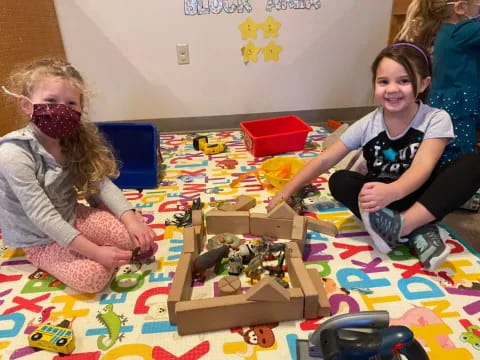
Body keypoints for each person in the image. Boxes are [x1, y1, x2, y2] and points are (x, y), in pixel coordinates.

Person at [267, 43, 480, 271]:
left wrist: (395, 190)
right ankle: (415, 228)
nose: (392, 89)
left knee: (473, 164)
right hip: (382, 201)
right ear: (375, 84)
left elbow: (423, 167)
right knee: (339, 180)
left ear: (424, 83)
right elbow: (325, 159)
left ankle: (406, 225)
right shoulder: (369, 123)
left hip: (421, 196)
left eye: (404, 81)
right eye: (383, 81)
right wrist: (287, 190)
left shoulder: (436, 118)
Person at [0, 59, 155, 293]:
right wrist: (97, 253)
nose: (61, 109)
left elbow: (100, 181)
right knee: (93, 277)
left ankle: (89, 241)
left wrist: (131, 219)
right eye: (51, 101)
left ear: (81, 109)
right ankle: (61, 255)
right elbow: (42, 216)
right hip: (40, 239)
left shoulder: (71, 140)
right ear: (26, 105)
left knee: (134, 240)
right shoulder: (13, 153)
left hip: (72, 215)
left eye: (71, 103)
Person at [396, 0, 480, 210]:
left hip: (445, 98)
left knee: (444, 145)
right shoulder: (463, 31)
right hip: (458, 102)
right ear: (460, 7)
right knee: (460, 149)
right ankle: (453, 192)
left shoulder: (446, 30)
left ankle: (437, 185)